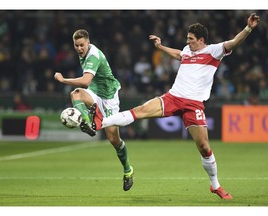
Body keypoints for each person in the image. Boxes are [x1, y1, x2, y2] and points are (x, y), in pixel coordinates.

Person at [91, 13, 260, 199]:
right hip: (173, 97)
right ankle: (100, 122)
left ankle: (215, 185)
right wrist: (160, 46)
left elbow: (234, 42)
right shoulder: (187, 51)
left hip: (193, 103)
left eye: (191, 39)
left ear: (201, 40)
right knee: (139, 111)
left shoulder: (214, 50)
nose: (187, 41)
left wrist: (249, 28)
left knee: (204, 146)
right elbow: (177, 54)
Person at [54, 29, 134, 191]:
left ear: (88, 42)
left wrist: (63, 80)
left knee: (114, 140)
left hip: (110, 98)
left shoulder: (93, 55)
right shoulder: (82, 53)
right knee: (75, 94)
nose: (79, 48)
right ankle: (87, 121)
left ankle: (128, 170)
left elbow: (85, 81)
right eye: (76, 45)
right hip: (95, 94)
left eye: (82, 45)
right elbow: (85, 87)